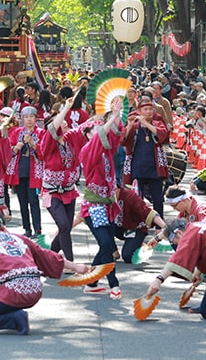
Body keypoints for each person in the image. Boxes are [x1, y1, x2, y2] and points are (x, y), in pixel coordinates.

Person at [77, 99, 124, 298]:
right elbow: (101, 137)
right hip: (94, 207)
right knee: (107, 245)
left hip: (107, 205)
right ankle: (113, 284)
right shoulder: (87, 150)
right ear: (87, 135)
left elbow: (114, 135)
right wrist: (112, 115)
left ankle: (93, 281)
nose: (98, 131)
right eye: (94, 129)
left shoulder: (107, 151)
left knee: (108, 246)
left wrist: (117, 115)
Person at [38, 96, 86, 261]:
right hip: (51, 192)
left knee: (65, 228)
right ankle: (69, 262)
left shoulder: (71, 138)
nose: (65, 123)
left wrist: (111, 113)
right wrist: (66, 107)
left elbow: (88, 125)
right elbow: (53, 127)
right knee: (64, 226)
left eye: (65, 121)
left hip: (69, 191)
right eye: (61, 122)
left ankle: (49, 257)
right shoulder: (48, 142)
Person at [122, 97, 170, 218]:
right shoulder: (134, 125)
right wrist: (129, 125)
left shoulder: (158, 122)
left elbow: (162, 135)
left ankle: (159, 225)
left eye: (150, 109)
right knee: (137, 198)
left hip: (155, 168)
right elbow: (122, 140)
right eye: (145, 109)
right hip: (137, 168)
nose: (149, 111)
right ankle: (139, 223)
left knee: (158, 198)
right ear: (139, 111)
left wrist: (147, 124)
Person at [6, 106, 44, 237]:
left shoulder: (41, 133)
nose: (29, 119)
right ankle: (27, 228)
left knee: (33, 200)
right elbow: (9, 151)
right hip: (19, 171)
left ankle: (37, 228)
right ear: (22, 119)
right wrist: (17, 146)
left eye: (31, 117)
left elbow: (43, 151)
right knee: (22, 202)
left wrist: (33, 143)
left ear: (36, 118)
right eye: (26, 117)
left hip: (33, 172)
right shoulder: (16, 132)